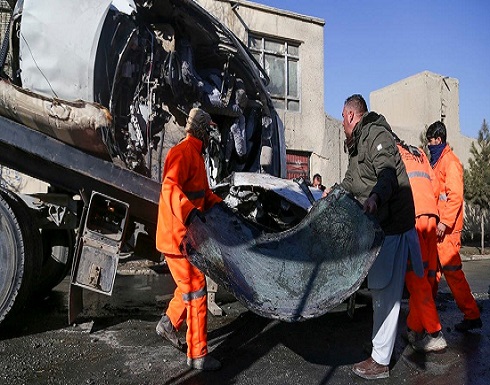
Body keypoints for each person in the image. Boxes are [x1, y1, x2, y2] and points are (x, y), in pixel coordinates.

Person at [325, 94, 423, 380]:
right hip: (382, 225)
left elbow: (388, 175)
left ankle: (380, 361)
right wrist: (335, 191)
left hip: (392, 225)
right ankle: (420, 336)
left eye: (343, 117)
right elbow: (351, 181)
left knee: (385, 292)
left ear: (352, 115)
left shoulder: (376, 134)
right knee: (388, 289)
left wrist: (376, 198)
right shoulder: (357, 146)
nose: (342, 123)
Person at [155, 107, 223, 371]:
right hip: (177, 237)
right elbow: (170, 189)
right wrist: (190, 214)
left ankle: (169, 322)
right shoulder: (183, 153)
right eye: (209, 131)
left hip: (181, 235)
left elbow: (203, 194)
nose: (210, 138)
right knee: (196, 289)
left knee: (187, 285)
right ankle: (198, 355)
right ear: (203, 130)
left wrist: (221, 206)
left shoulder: (195, 156)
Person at [426, 121, 482, 332]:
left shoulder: (450, 162)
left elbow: (455, 197)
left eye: (430, 141)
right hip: (438, 230)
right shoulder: (438, 162)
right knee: (433, 273)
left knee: (453, 274)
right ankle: (427, 316)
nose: (429, 145)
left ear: (438, 140)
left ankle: (472, 315)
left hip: (446, 231)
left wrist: (444, 222)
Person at [394, 136, 447, 352]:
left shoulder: (393, 151)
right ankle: (414, 328)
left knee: (416, 280)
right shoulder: (419, 153)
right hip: (431, 217)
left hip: (413, 218)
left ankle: (435, 333)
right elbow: (435, 187)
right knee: (424, 276)